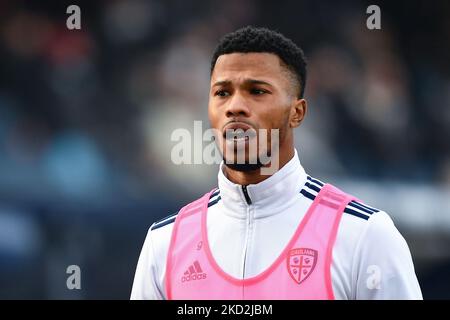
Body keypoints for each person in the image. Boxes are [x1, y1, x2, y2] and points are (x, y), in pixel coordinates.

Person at [131, 26, 422, 300]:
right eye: (222, 92)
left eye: (257, 91)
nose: (235, 107)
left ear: (297, 112)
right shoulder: (164, 245)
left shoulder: (365, 236)